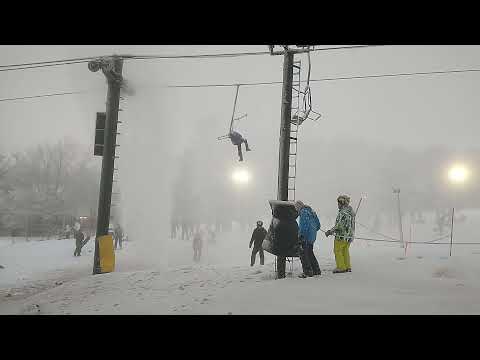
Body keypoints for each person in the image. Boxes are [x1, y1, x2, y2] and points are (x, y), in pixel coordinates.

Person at [325, 195, 355, 273]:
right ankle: (347, 266)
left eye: (339, 203)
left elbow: (339, 225)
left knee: (337, 250)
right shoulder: (351, 212)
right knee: (345, 250)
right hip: (349, 236)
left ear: (342, 203)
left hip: (341, 236)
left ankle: (341, 267)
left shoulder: (343, 213)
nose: (338, 205)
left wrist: (330, 231)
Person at [294, 201, 321, 278]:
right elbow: (318, 226)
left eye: (296, 209)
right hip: (312, 237)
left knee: (303, 254)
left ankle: (307, 272)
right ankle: (316, 270)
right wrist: (312, 231)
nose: (297, 211)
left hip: (305, 237)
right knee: (310, 253)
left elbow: (303, 226)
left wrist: (301, 236)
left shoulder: (303, 212)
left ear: (299, 207)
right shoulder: (312, 212)